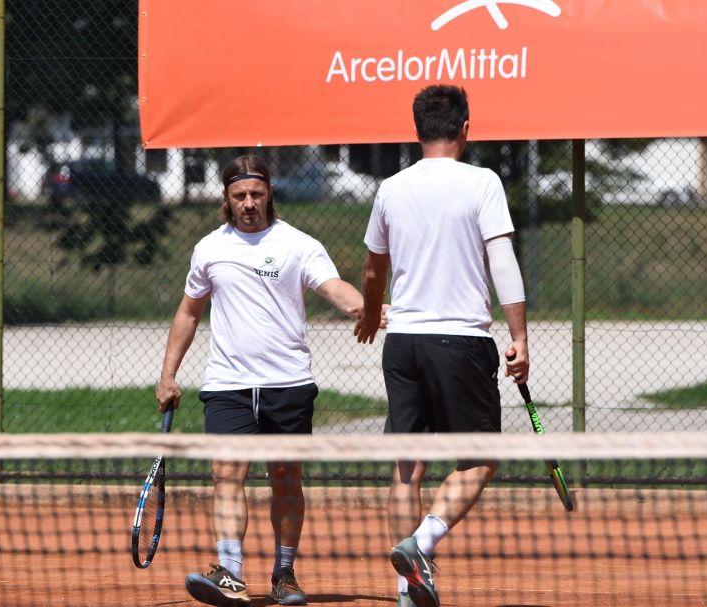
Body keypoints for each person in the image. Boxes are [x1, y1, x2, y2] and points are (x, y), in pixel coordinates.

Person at [156, 153, 367, 607]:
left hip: (287, 384)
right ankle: (230, 573)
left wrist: (362, 307)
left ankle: (284, 574)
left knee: (286, 479)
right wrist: (167, 374)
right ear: (227, 198)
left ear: (269, 193)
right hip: (227, 386)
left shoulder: (298, 244)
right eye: (240, 195)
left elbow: (333, 286)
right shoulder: (209, 248)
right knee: (226, 475)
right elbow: (189, 313)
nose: (249, 203)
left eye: (256, 193)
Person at [354, 84, 529, 607]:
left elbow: (372, 269)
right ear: (465, 128)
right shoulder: (482, 182)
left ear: (417, 130)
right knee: (481, 457)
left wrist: (371, 312)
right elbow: (502, 263)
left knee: (407, 467)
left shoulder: (391, 188)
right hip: (461, 341)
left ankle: (406, 589)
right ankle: (421, 544)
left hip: (403, 342)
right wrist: (519, 337)